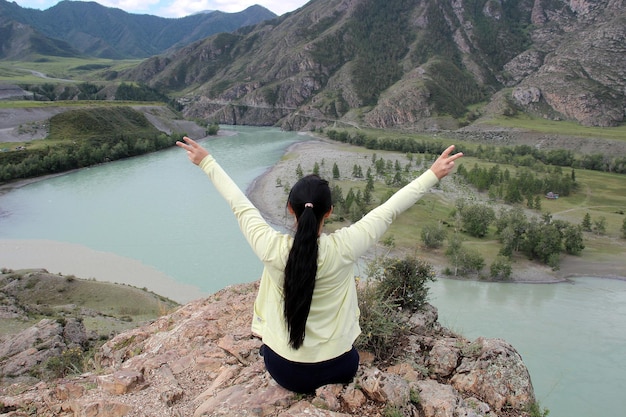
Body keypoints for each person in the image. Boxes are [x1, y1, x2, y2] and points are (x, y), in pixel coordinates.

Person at [176, 136, 462, 393]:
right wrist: (432, 174)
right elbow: (389, 210)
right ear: (330, 212)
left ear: (290, 208)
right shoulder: (345, 247)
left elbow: (239, 203)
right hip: (337, 369)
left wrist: (207, 162)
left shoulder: (271, 248)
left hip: (283, 371)